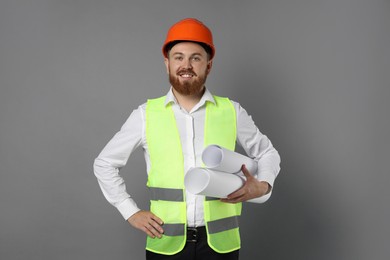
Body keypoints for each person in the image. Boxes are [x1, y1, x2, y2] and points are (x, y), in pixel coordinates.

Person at [94, 18, 281, 260]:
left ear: (208, 65)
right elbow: (104, 163)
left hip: (220, 247)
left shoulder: (231, 111)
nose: (186, 65)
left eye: (195, 57)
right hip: (165, 244)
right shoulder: (145, 115)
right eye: (178, 57)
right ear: (167, 63)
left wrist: (264, 184)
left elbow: (268, 153)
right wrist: (129, 211)